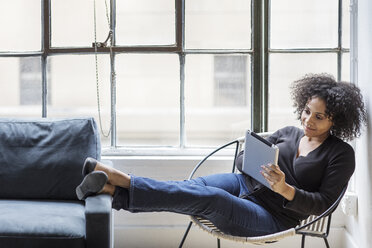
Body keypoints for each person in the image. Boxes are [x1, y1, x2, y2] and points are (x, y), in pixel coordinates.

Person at [76, 73, 367, 237]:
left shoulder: (341, 155)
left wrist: (285, 188)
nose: (308, 120)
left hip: (273, 218)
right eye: (306, 111)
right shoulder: (288, 133)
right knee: (194, 188)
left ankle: (122, 181)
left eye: (319, 117)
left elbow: (323, 203)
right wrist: (256, 162)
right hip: (245, 185)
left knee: (208, 199)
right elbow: (242, 163)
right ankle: (115, 192)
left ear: (336, 121)